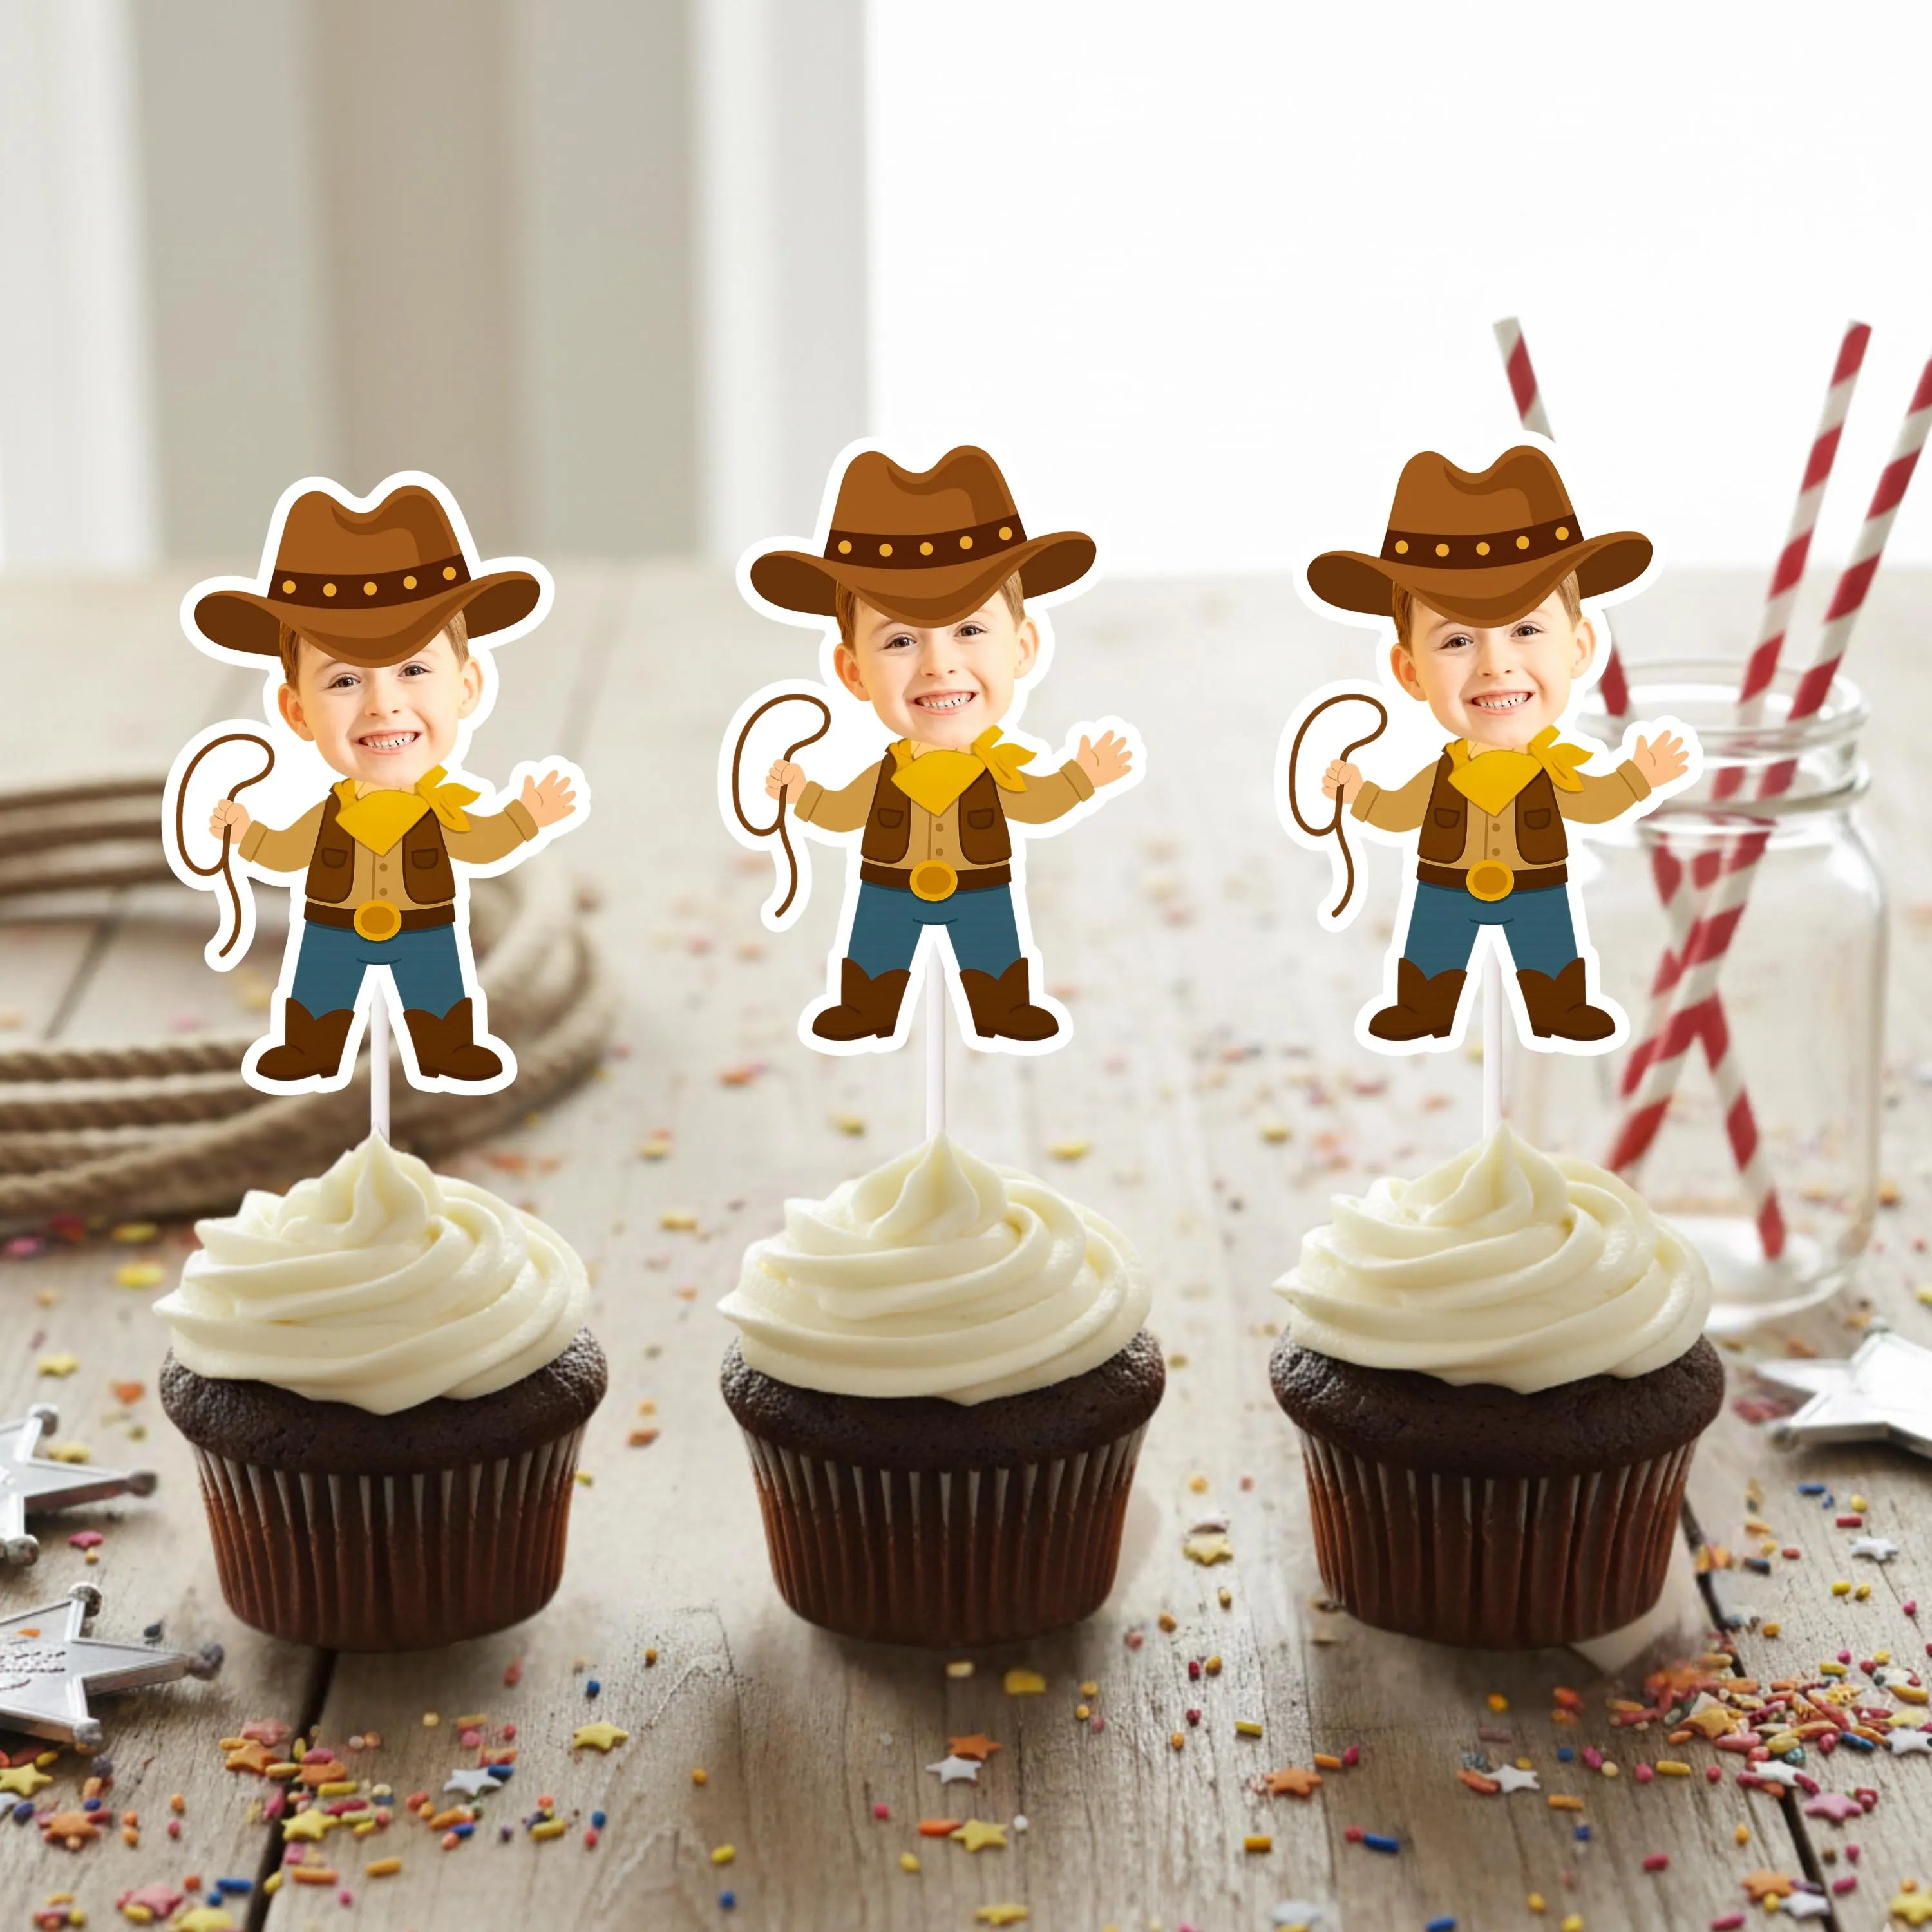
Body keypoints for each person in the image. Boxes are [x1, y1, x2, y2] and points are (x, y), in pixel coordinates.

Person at [191, 481, 580, 1088]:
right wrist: (247, 834)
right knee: (320, 993)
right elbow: (287, 852)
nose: (382, 704)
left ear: (466, 689)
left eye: (414, 669)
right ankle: (310, 1047)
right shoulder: (327, 813)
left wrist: (525, 817)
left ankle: (448, 1046)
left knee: (437, 991)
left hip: (425, 926)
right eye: (344, 681)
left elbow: (481, 843)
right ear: (297, 712)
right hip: (331, 925)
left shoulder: (445, 809)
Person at [747, 446, 1133, 1045]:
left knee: (993, 950)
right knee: (875, 951)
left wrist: (1082, 777)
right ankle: (867, 1007)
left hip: (981, 886)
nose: (938, 665)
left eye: (970, 630)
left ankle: (1003, 1007)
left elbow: (1036, 803)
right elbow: (844, 811)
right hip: (888, 885)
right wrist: (803, 794)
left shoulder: (1000, 769)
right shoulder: (886, 773)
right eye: (901, 640)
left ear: (1022, 649)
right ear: (853, 672)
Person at [1309, 446, 1689, 1045]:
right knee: (1431, 953)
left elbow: (1593, 802)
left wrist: (1639, 777)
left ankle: (1560, 1007)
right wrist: (1359, 794)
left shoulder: (1557, 768)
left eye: (1527, 630)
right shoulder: (1442, 773)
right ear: (1410, 672)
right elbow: (1400, 811)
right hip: (1444, 885)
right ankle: (1424, 1007)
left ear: (1579, 649)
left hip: (1538, 886)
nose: (1495, 665)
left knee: (1550, 951)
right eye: (1457, 640)